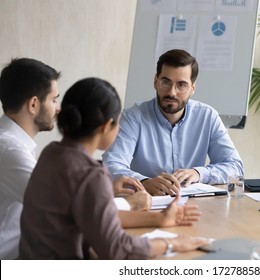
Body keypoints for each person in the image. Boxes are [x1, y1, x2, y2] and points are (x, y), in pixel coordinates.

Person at [19, 77, 209, 259]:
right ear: (107, 126)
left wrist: (159, 219)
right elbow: (117, 250)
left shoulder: (51, 153)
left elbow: (99, 217)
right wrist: (174, 243)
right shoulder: (90, 174)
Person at [102, 49, 244, 196]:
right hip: (147, 204)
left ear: (192, 88)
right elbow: (111, 165)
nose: (172, 92)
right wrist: (144, 182)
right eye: (165, 82)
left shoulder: (207, 116)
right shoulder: (133, 117)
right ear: (156, 82)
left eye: (181, 85)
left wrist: (199, 173)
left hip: (195, 205)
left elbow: (235, 167)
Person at [0, 58, 61, 259]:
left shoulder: (11, 143)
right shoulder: (10, 150)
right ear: (34, 104)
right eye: (54, 100)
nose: (58, 108)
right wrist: (128, 204)